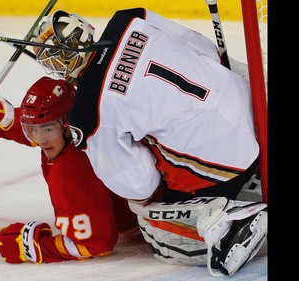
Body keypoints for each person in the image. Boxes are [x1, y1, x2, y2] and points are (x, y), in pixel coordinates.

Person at [30, 8, 268, 276]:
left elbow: (137, 183)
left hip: (230, 159)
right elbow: (202, 47)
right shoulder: (129, 18)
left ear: (58, 63)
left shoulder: (87, 110)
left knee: (153, 226)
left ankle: (227, 218)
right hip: (254, 102)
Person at [0, 76, 138, 264]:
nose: (40, 139)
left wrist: (32, 247)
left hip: (144, 224)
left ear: (66, 123)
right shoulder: (80, 127)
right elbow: (40, 124)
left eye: (47, 129)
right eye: (32, 130)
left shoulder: (69, 167)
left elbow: (94, 244)